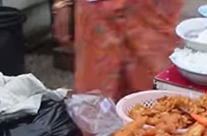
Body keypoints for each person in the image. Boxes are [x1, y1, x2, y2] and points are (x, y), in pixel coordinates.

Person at [52, 0, 183, 100]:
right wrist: (62, 3)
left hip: (151, 14)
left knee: (154, 100)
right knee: (95, 97)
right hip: (96, 16)